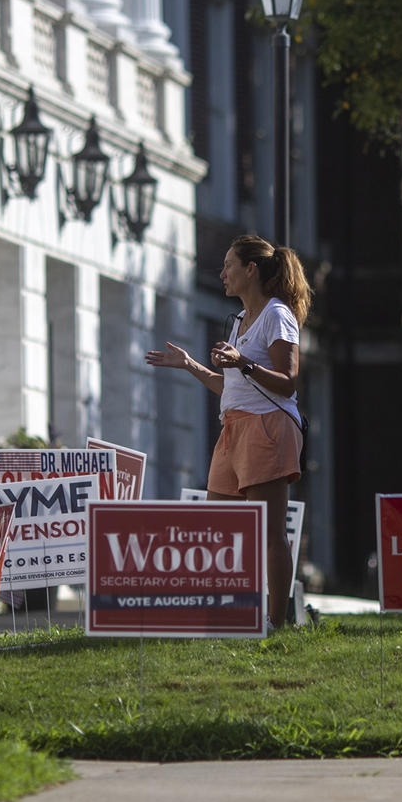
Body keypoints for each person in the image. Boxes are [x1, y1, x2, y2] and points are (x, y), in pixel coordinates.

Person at [146, 235, 309, 628]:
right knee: (220, 527)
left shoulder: (276, 314)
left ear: (250, 269)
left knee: (269, 531)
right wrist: (191, 366)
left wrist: (243, 363)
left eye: (229, 265)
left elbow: (287, 382)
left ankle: (275, 623)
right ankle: (228, 616)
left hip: (268, 427)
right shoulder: (238, 321)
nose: (222, 274)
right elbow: (232, 387)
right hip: (233, 427)